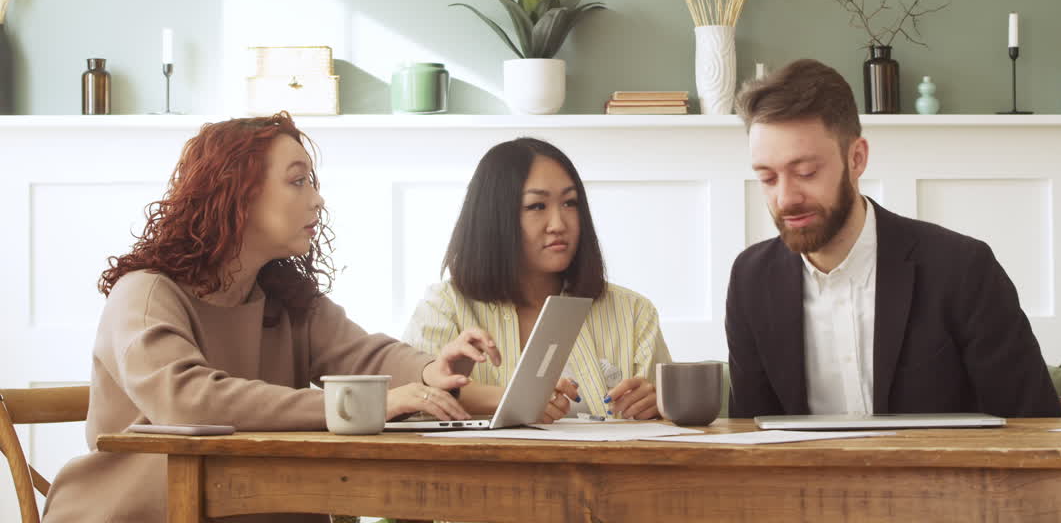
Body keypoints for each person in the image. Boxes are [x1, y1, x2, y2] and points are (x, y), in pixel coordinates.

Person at [43, 113, 498, 523]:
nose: (318, 199)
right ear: (236, 193)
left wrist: (428, 369)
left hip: (246, 505)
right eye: (298, 181)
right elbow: (187, 400)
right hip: (133, 512)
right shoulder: (145, 293)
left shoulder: (287, 299)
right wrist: (358, 408)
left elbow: (365, 354)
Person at [726, 60, 1060, 419]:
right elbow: (750, 441)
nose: (786, 198)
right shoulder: (751, 280)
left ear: (856, 159)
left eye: (806, 172)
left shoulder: (962, 269)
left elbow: (1033, 426)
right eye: (767, 178)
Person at [404, 137, 671, 421]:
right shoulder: (443, 308)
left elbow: (670, 422)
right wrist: (507, 401)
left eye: (570, 203)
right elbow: (411, 399)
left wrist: (660, 405)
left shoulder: (634, 312)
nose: (559, 224)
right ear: (494, 217)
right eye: (536, 206)